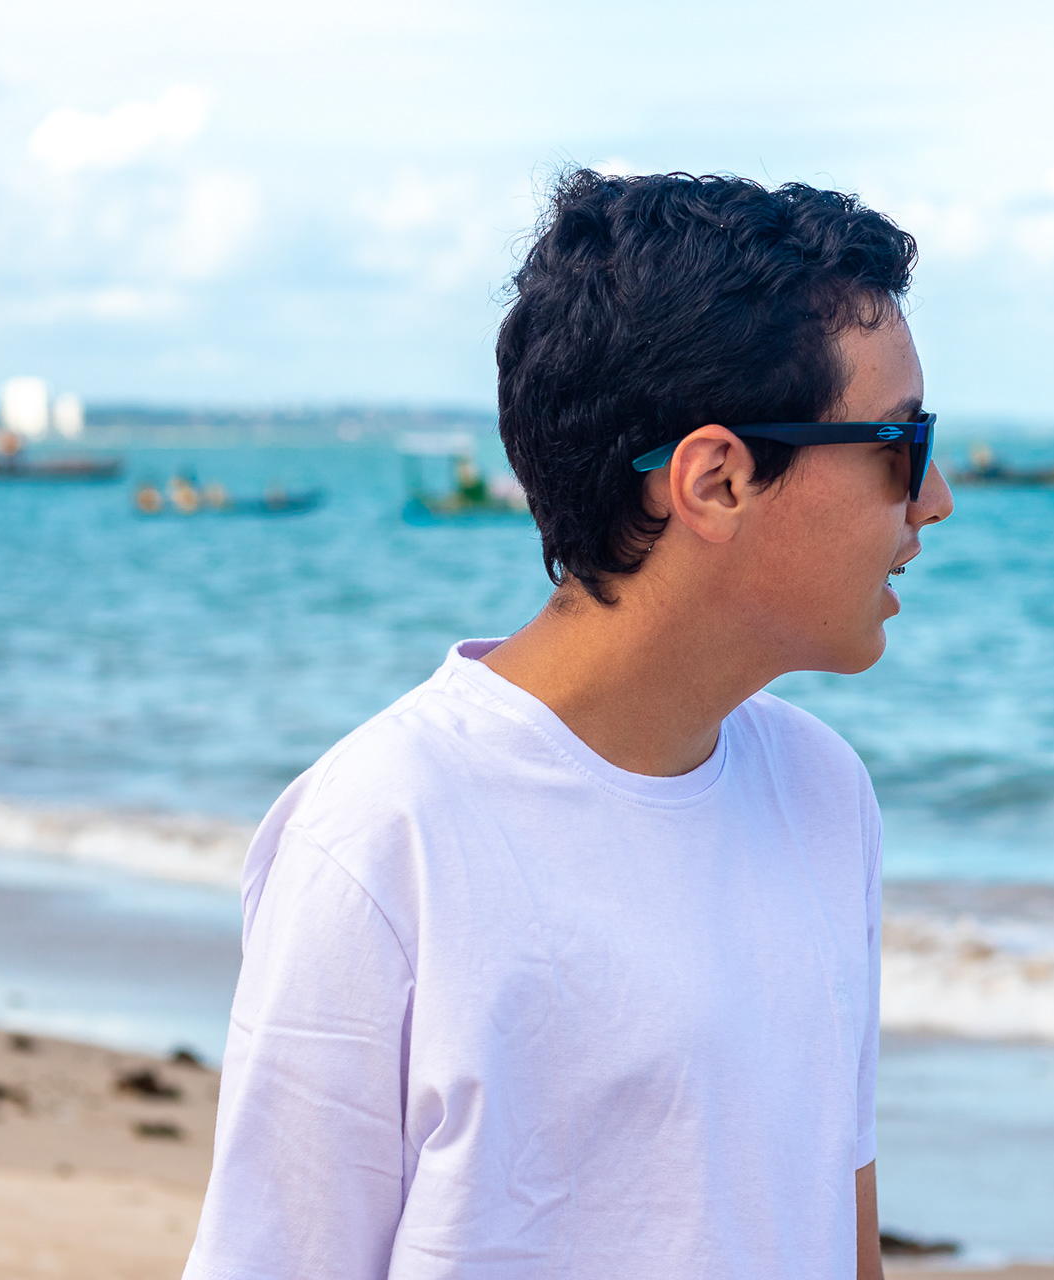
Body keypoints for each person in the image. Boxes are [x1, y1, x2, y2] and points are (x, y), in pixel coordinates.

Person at [183, 170, 951, 1280]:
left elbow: (839, 1232)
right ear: (716, 480)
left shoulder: (825, 790)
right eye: (901, 444)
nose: (934, 498)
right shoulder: (382, 834)